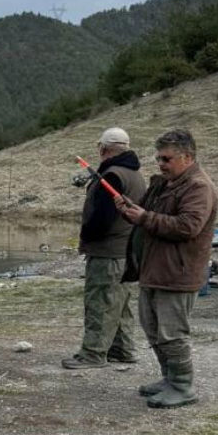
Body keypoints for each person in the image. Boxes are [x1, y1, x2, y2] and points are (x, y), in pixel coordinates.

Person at [114, 129, 217, 408]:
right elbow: (148, 216)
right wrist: (130, 210)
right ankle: (169, 378)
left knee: (172, 333)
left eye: (166, 159)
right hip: (154, 270)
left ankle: (183, 386)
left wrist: (145, 217)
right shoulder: (165, 183)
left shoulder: (198, 186)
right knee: (153, 329)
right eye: (159, 158)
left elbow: (188, 226)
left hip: (178, 274)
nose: (160, 164)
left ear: (187, 157)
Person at [63, 128, 147, 369]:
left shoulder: (112, 176)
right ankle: (123, 349)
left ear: (103, 149)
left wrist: (87, 237)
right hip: (126, 251)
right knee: (118, 302)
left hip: (108, 252)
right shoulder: (135, 174)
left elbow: (101, 219)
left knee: (100, 302)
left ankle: (93, 354)